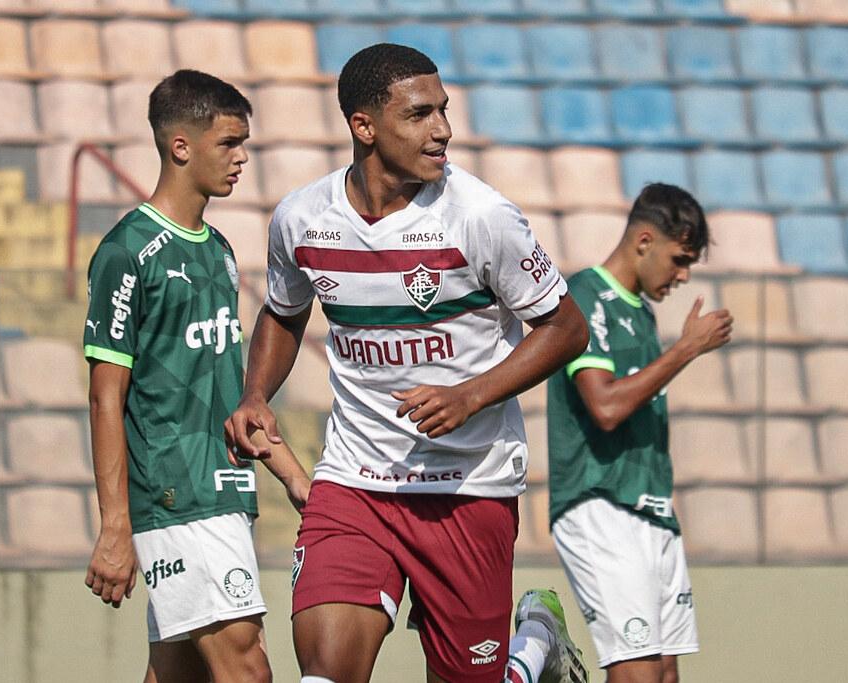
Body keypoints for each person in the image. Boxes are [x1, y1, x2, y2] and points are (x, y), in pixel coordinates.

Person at [223, 43, 589, 683]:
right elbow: (284, 311)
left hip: (467, 485)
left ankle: (534, 647)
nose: (443, 129)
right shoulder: (303, 218)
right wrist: (256, 394)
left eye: (443, 111)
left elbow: (566, 328)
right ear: (363, 126)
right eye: (420, 114)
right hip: (355, 481)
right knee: (325, 674)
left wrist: (471, 395)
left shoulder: (480, 216)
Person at [82, 69, 310, 683]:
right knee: (246, 666)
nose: (241, 158)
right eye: (229, 142)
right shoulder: (127, 252)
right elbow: (107, 400)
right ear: (181, 146)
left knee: (180, 672)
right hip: (176, 494)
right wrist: (115, 526)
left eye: (245, 143)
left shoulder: (217, 250)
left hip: (222, 488)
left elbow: (228, 394)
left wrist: (291, 475)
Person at [546, 183, 734, 683]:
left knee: (665, 673)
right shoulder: (584, 295)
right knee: (639, 674)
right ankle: (533, 647)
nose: (684, 275)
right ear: (645, 240)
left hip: (651, 510)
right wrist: (685, 349)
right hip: (600, 504)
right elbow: (604, 406)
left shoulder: (642, 313)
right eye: (679, 258)